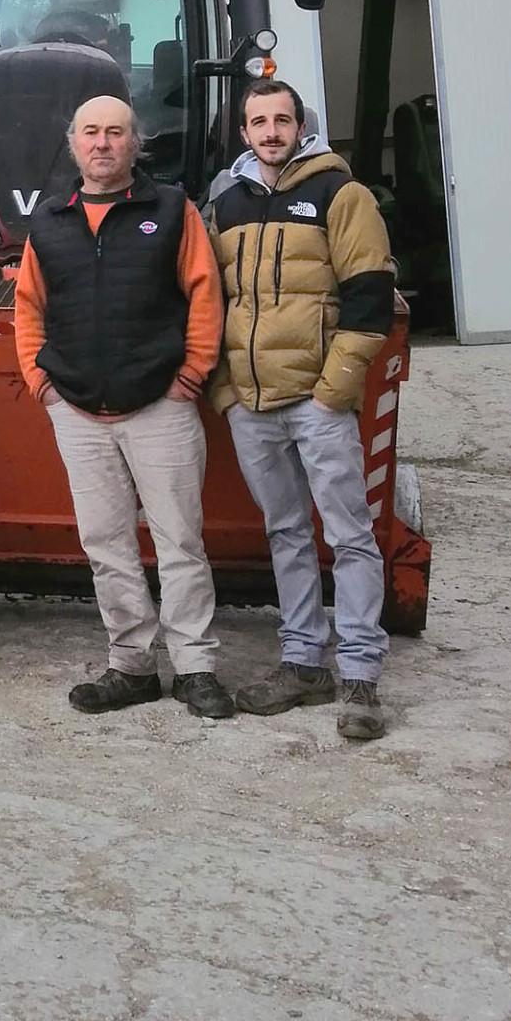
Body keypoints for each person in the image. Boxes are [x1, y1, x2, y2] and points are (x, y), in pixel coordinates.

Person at [15, 94, 234, 721]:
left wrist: (191, 374)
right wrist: (42, 383)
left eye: (116, 133)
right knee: (106, 543)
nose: (103, 143)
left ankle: (196, 668)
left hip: (160, 407)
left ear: (136, 144)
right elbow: (28, 309)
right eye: (91, 133)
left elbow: (204, 291)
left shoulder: (171, 209)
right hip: (79, 412)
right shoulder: (51, 220)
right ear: (73, 143)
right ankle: (132, 666)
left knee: (180, 542)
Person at [207, 78, 395, 742]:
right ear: (244, 132)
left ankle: (361, 676)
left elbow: (371, 295)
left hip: (316, 401)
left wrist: (334, 389)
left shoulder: (341, 196)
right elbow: (211, 301)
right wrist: (226, 391)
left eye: (281, 120)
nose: (270, 132)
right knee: (286, 533)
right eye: (258, 121)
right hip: (251, 404)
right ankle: (302, 663)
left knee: (349, 535)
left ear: (300, 125)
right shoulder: (225, 203)